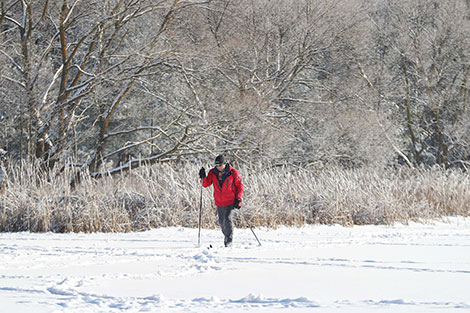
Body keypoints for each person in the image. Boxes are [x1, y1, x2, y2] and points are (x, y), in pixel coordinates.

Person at [199, 155, 243, 247]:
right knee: (221, 221)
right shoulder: (213, 172)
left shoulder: (233, 172)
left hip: (231, 200)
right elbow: (206, 184)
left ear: (224, 164)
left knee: (227, 219)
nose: (218, 167)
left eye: (220, 165)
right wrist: (202, 177)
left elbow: (240, 186)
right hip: (219, 201)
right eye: (216, 165)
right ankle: (226, 236)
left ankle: (229, 241)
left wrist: (238, 199)